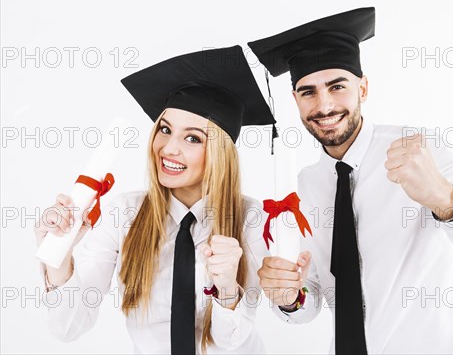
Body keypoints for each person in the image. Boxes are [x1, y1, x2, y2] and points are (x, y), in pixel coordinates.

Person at [249, 8, 453, 355]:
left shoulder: (423, 149)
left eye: (337, 86)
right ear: (296, 100)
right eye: (308, 92)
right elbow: (314, 295)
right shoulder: (306, 185)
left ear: (363, 87)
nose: (325, 105)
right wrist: (291, 297)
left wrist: (446, 200)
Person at [35, 46, 275, 354]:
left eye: (192, 138)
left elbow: (231, 341)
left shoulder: (251, 218)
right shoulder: (123, 214)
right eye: (165, 129)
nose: (168, 148)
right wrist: (59, 255)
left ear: (221, 154)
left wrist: (227, 285)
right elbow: (68, 328)